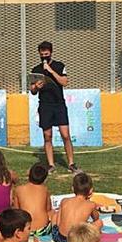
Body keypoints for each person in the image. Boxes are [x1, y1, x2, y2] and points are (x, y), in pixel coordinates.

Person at [30, 41, 78, 173]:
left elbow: (65, 82)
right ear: (39, 53)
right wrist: (36, 87)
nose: (44, 56)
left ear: (51, 53)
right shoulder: (36, 70)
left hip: (59, 104)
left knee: (65, 135)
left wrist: (51, 71)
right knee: (47, 136)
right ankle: (51, 164)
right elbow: (32, 91)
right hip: (45, 105)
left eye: (46, 54)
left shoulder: (59, 66)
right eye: (42, 54)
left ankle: (71, 163)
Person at [53, 172, 103, 242]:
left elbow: (58, 222)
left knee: (55, 214)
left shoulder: (64, 200)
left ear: (73, 188)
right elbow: (96, 218)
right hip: (77, 241)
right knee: (99, 223)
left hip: (59, 238)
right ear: (91, 190)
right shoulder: (91, 205)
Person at [12, 163, 54, 237]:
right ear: (45, 179)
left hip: (24, 230)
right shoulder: (44, 190)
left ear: (29, 174)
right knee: (53, 213)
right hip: (42, 229)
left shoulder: (18, 189)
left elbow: (16, 210)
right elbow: (49, 210)